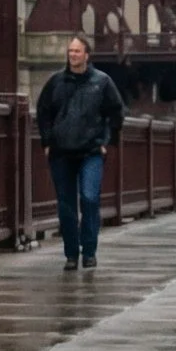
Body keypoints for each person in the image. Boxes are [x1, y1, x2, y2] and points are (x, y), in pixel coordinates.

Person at [35, 36, 124, 271]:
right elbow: (43, 112)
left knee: (89, 198)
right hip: (61, 151)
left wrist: (106, 142)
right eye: (70, 51)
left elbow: (116, 114)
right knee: (66, 205)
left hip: (91, 150)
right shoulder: (56, 82)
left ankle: (90, 252)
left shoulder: (102, 82)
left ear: (87, 55)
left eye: (77, 51)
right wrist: (47, 141)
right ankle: (71, 254)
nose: (72, 55)